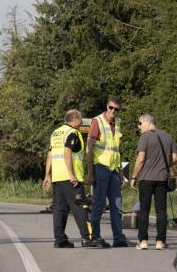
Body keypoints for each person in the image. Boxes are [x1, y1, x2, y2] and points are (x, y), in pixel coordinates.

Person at [43, 109, 99, 249]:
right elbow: (67, 151)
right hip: (71, 178)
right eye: (80, 120)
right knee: (80, 206)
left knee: (59, 209)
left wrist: (47, 175)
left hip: (57, 177)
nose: (81, 123)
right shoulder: (73, 133)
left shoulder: (56, 133)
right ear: (74, 120)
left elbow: (50, 154)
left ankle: (60, 239)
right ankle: (87, 238)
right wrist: (71, 174)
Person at [129, 113, 177, 250]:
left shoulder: (145, 137)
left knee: (144, 210)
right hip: (162, 178)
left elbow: (140, 159)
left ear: (147, 122)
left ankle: (143, 241)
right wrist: (163, 165)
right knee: (161, 211)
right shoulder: (168, 137)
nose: (139, 127)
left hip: (146, 178)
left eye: (140, 123)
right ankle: (160, 241)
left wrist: (134, 176)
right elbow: (174, 158)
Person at [87, 97, 128, 248]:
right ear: (107, 106)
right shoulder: (97, 122)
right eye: (111, 108)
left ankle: (118, 238)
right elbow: (89, 149)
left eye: (116, 109)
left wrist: (121, 172)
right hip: (101, 168)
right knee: (99, 204)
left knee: (116, 205)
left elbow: (117, 150)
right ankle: (96, 236)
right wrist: (90, 173)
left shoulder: (118, 123)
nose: (113, 111)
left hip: (114, 170)